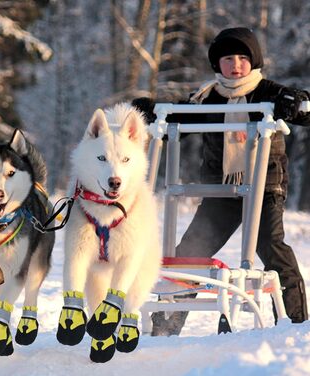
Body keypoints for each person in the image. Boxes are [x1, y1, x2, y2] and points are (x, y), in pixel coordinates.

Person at [132, 27, 310, 336]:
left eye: (243, 58)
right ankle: (166, 324)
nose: (236, 65)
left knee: (271, 246)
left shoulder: (268, 91)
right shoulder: (208, 96)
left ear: (253, 61)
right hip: (221, 191)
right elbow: (181, 115)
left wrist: (296, 102)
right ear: (218, 64)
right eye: (229, 58)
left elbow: (304, 110)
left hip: (263, 189)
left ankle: (296, 323)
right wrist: (153, 108)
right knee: (189, 251)